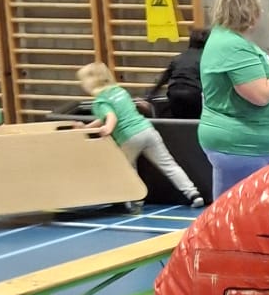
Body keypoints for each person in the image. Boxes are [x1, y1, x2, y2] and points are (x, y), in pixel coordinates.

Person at [197, 0, 269, 201]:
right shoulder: (233, 46)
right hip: (240, 145)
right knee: (235, 209)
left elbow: (242, 79)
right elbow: (261, 95)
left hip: (256, 142)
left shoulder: (226, 39)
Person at [76, 62, 202, 206]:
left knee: (126, 168)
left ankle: (133, 199)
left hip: (129, 137)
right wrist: (87, 127)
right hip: (147, 130)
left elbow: (111, 117)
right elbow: (106, 117)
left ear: (91, 82)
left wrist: (107, 129)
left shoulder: (100, 101)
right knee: (169, 165)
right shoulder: (119, 91)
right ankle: (193, 194)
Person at [146, 27, 209, 120]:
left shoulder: (178, 58)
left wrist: (151, 94)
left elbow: (164, 78)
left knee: (179, 121)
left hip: (174, 94)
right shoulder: (207, 59)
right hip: (194, 95)